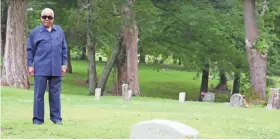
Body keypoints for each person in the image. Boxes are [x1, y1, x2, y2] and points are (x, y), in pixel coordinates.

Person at [26, 8, 67, 125]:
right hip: (40, 68)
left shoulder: (59, 31)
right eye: (45, 17)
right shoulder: (35, 32)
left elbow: (64, 49)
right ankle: (38, 120)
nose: (47, 19)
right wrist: (30, 65)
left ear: (53, 19)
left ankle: (56, 119)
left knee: (55, 95)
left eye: (50, 17)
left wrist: (64, 65)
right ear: (41, 18)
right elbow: (30, 50)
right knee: (39, 95)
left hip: (56, 69)